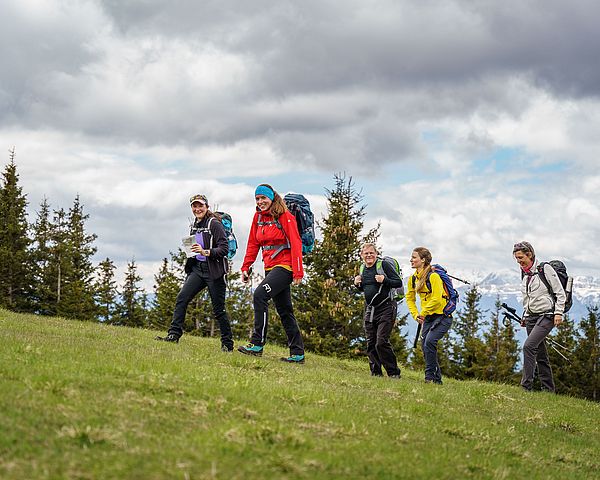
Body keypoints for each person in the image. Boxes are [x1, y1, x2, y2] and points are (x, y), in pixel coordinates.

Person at [155, 194, 234, 351]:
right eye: (194, 206)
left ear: (207, 207)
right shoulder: (195, 225)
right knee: (182, 298)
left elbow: (224, 248)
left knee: (219, 310)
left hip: (214, 272)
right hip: (198, 269)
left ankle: (227, 344)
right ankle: (173, 335)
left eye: (200, 206)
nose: (197, 209)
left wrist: (206, 252)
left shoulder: (214, 224)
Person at [237, 184, 306, 363]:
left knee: (260, 295)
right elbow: (253, 243)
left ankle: (257, 343)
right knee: (285, 310)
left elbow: (296, 243)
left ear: (272, 198)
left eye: (263, 198)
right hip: (270, 266)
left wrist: (298, 271)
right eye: (257, 199)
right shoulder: (258, 217)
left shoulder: (285, 216)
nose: (260, 202)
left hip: (286, 267)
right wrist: (246, 266)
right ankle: (298, 354)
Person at [513, 241, 566, 392]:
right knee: (540, 353)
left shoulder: (544, 269)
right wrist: (525, 314)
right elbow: (529, 297)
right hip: (531, 317)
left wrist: (558, 313)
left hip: (547, 315)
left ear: (529, 254)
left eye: (521, 257)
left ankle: (525, 387)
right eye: (516, 258)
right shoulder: (525, 272)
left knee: (529, 347)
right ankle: (549, 390)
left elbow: (559, 293)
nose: (519, 261)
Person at [354, 243, 402, 379]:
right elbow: (366, 289)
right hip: (371, 308)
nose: (369, 255)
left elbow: (398, 282)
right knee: (371, 342)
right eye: (366, 253)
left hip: (387, 306)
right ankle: (376, 373)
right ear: (361, 255)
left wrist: (384, 280)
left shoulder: (383, 266)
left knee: (381, 341)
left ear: (376, 254)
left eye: (371, 253)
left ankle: (393, 373)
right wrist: (357, 284)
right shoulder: (363, 267)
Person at [406, 247, 452, 384]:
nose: (411, 260)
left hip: (443, 317)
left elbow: (437, 299)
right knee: (426, 346)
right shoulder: (413, 278)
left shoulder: (434, 277)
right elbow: (410, 298)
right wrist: (416, 315)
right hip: (427, 317)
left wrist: (423, 313)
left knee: (430, 342)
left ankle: (429, 378)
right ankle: (436, 380)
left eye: (414, 257)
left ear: (423, 260)